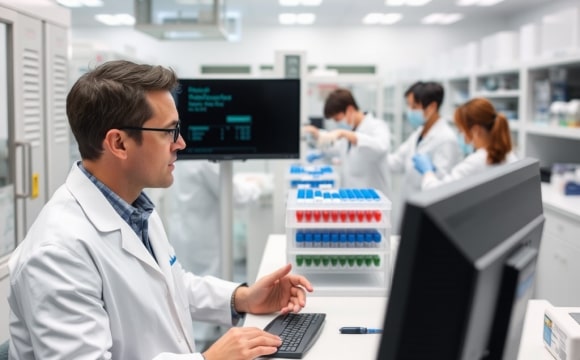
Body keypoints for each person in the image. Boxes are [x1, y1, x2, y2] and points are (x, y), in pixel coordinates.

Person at [7, 60, 313, 360]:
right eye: (169, 131)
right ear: (119, 143)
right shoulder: (57, 253)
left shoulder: (133, 208)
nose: (181, 143)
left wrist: (242, 298)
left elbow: (170, 286)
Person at [163, 160, 268, 349]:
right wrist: (257, 186)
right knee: (196, 318)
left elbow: (183, 288)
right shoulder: (203, 160)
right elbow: (234, 194)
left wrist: (244, 298)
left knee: (186, 286)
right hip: (202, 236)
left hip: (187, 230)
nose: (177, 143)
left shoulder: (183, 160)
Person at [386, 81, 462, 231]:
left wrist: (429, 172)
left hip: (429, 216)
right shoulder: (418, 133)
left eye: (414, 107)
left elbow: (441, 188)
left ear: (432, 107)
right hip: (411, 206)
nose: (410, 111)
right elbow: (396, 162)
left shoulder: (446, 139)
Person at [302, 88, 391, 197]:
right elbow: (334, 147)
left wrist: (345, 134)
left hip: (374, 203)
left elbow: (381, 147)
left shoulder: (376, 126)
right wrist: (316, 134)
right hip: (353, 200)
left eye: (337, 119)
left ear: (349, 110)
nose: (337, 123)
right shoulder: (351, 131)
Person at [413, 97, 518, 189]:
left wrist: (427, 172)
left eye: (461, 130)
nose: (460, 134)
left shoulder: (476, 162)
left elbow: (437, 192)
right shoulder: (509, 156)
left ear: (476, 130)